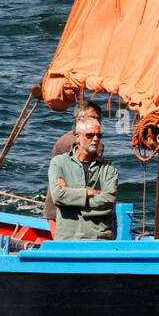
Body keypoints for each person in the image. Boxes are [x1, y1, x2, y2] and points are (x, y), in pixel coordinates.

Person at [48, 109, 118, 240]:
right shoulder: (59, 163)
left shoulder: (108, 168)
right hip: (68, 238)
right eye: (90, 135)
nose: (95, 139)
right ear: (78, 137)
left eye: (99, 135)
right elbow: (58, 196)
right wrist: (91, 193)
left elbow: (109, 200)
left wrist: (72, 198)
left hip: (99, 238)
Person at [44, 101, 102, 238]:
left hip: (78, 207)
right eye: (93, 118)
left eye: (98, 119)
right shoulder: (69, 143)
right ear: (79, 119)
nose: (97, 122)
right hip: (60, 211)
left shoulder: (92, 143)